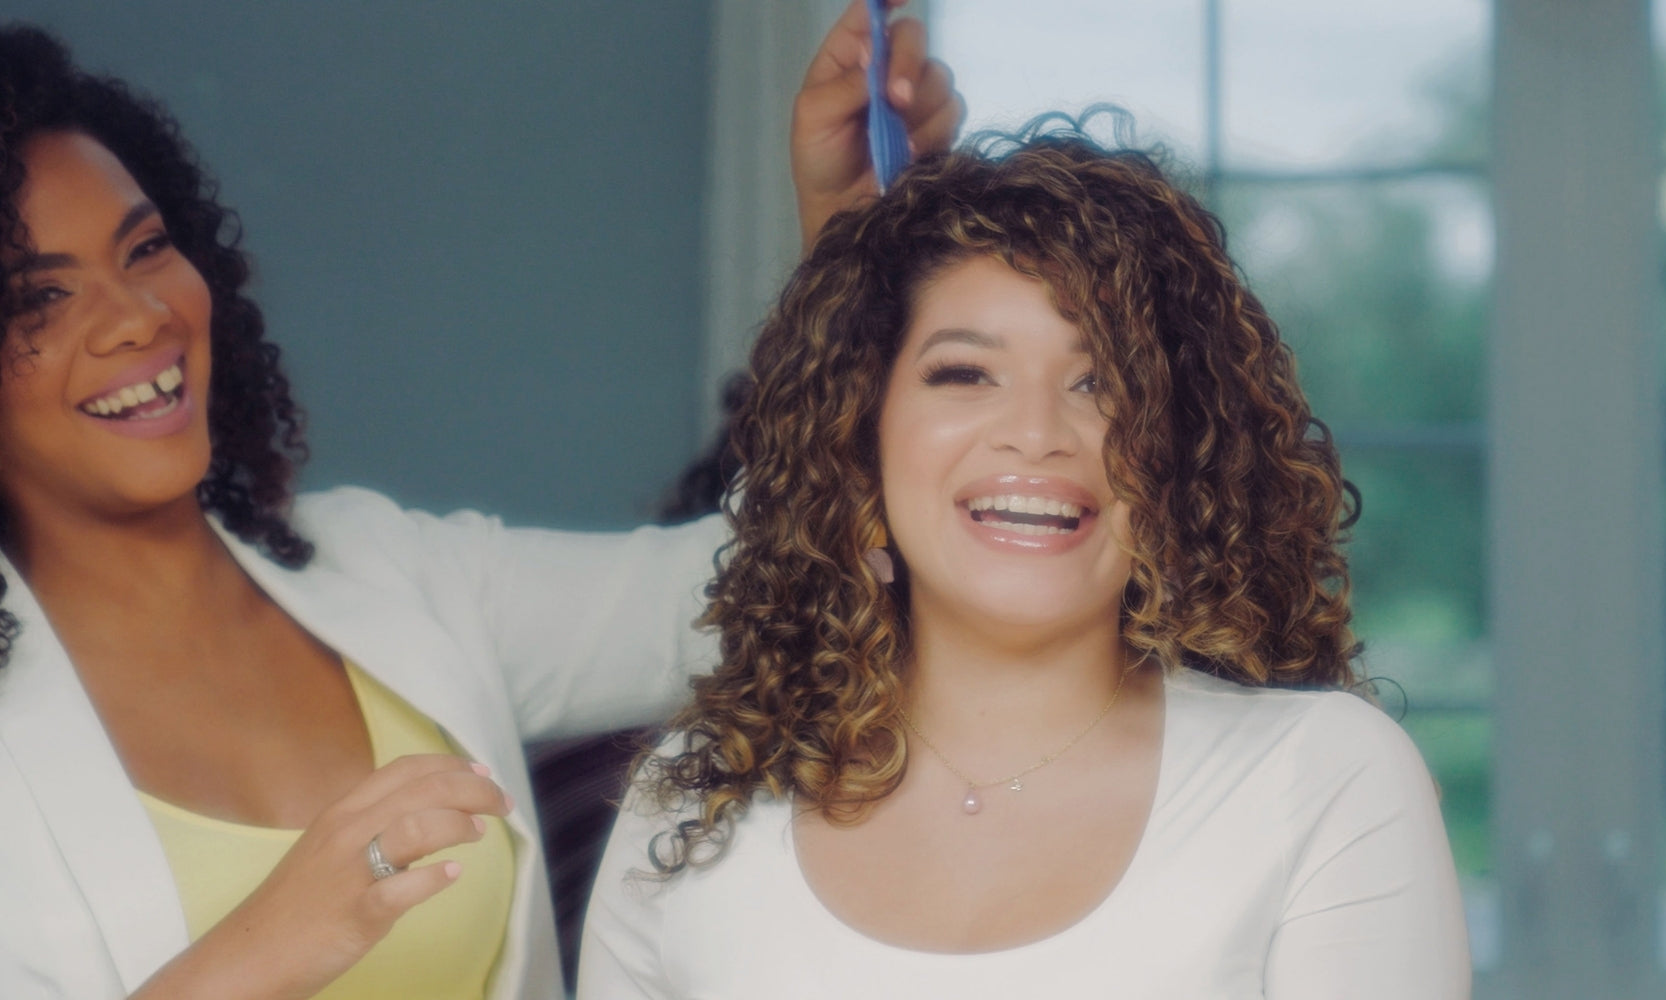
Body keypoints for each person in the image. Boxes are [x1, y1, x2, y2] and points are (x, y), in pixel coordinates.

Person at [0, 3, 961, 998]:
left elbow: (745, 597)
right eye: (38, 298)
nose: (137, 318)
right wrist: (261, 950)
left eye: (146, 247)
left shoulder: (384, 566)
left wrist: (847, 259)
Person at [579, 117, 1472, 999]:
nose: (1037, 435)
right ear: (858, 437)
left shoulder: (1319, 782)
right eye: (966, 374)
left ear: (1180, 455)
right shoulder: (692, 805)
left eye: (1103, 384)